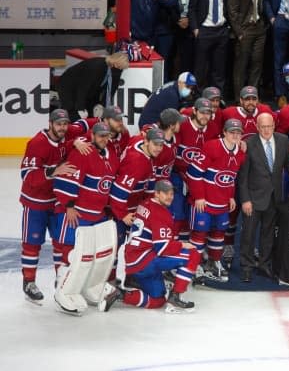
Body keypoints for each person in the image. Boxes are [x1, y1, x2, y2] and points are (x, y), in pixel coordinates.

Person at [100, 180, 201, 313]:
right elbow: (163, 248)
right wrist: (182, 244)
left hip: (132, 261)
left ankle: (120, 294)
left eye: (171, 194)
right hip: (144, 260)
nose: (170, 197)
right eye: (166, 193)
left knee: (158, 300)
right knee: (193, 254)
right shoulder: (160, 213)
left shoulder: (145, 203)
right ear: (157, 194)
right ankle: (175, 297)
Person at [52, 122, 120, 314]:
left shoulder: (111, 155)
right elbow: (66, 179)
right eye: (101, 136)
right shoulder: (81, 153)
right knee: (72, 254)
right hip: (78, 213)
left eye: (107, 136)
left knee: (94, 254)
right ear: (93, 136)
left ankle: (87, 287)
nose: (104, 140)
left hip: (96, 214)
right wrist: (69, 205)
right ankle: (63, 291)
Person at [237, 113, 289, 281]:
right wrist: (245, 200)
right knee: (248, 234)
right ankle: (246, 267)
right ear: (257, 127)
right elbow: (243, 177)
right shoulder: (248, 144)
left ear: (274, 126)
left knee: (268, 233)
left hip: (274, 197)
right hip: (253, 199)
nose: (266, 130)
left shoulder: (283, 140)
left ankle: (264, 264)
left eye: (269, 126)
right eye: (263, 127)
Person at [19, 109, 77, 303]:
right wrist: (53, 171)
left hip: (56, 202)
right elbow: (27, 176)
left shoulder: (64, 140)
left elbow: (86, 127)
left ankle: (60, 279)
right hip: (35, 203)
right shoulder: (37, 143)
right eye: (59, 124)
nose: (62, 127)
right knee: (32, 243)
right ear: (50, 123)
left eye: (65, 124)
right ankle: (29, 282)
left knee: (60, 243)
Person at [220, 85, 275, 267]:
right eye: (247, 99)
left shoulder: (266, 111)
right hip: (233, 169)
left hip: (256, 173)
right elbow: (215, 125)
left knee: (256, 211)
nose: (251, 102)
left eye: (254, 98)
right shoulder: (228, 113)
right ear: (241, 100)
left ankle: (253, 246)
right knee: (232, 210)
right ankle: (228, 246)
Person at [187, 118, 246, 283]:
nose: (235, 135)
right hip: (204, 202)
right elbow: (193, 173)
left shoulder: (240, 153)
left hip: (222, 202)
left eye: (238, 132)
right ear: (225, 132)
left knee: (219, 233)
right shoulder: (211, 147)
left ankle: (214, 262)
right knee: (199, 233)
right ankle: (194, 265)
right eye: (232, 132)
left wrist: (231, 196)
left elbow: (230, 178)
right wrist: (199, 196)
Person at [109, 128, 165, 279]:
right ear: (146, 141)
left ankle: (130, 277)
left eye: (161, 145)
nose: (159, 148)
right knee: (115, 246)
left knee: (132, 245)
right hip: (122, 210)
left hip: (132, 207)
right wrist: (122, 214)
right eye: (156, 144)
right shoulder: (137, 162)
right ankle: (109, 280)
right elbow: (118, 190)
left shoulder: (139, 143)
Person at [227, 0, 269, 99]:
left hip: (259, 28)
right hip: (245, 30)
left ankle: (252, 96)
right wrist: (239, 32)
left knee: (257, 63)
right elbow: (231, 11)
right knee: (241, 65)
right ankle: (240, 98)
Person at [173, 98, 213, 241]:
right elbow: (161, 126)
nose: (205, 116)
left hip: (199, 178)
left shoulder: (212, 129)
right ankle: (175, 247)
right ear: (195, 111)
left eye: (208, 113)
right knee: (177, 213)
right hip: (178, 174)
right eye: (202, 112)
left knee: (196, 214)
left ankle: (191, 249)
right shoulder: (182, 125)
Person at [189, 0, 231, 90]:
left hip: (221, 30)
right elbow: (192, 8)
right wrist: (195, 28)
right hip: (204, 30)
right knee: (201, 68)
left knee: (219, 69)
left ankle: (218, 98)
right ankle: (198, 96)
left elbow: (228, 5)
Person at [57, 52, 129, 121]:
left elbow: (112, 90)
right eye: (119, 67)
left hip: (90, 89)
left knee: (92, 111)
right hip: (69, 85)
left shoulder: (117, 70)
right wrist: (80, 108)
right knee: (73, 111)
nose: (120, 70)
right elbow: (83, 87)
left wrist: (102, 106)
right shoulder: (97, 66)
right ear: (113, 63)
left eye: (121, 68)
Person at [170, 0, 202, 78]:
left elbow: (196, 2)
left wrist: (188, 18)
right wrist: (178, 19)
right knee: (170, 59)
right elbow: (165, 3)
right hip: (172, 24)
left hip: (189, 23)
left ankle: (187, 87)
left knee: (188, 60)